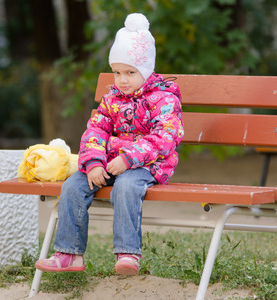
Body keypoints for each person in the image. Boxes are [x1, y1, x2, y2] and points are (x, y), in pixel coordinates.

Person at [35, 12, 184, 276]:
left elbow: (165, 137)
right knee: (72, 185)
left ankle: (128, 253)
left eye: (130, 72)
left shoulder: (163, 98)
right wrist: (92, 162)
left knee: (126, 186)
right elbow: (96, 130)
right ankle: (69, 254)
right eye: (117, 72)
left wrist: (128, 159)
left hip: (147, 165)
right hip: (109, 165)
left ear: (146, 70)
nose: (122, 79)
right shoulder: (111, 99)